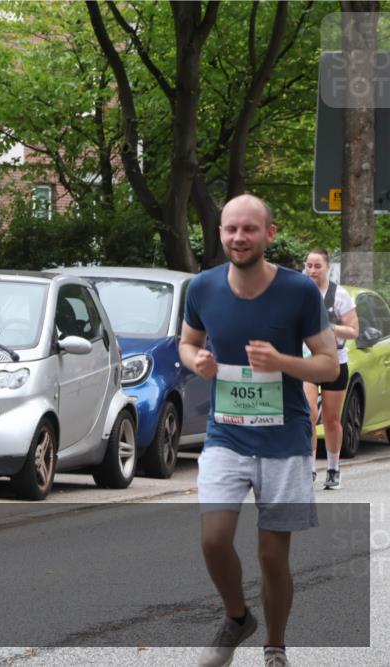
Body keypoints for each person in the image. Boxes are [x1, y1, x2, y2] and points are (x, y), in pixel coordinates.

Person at [179, 194, 338, 667]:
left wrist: (283, 362)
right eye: (231, 229)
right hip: (226, 434)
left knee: (272, 555)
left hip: (284, 439)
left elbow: (329, 367)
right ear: (221, 233)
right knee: (213, 538)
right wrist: (198, 361)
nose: (238, 238)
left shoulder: (299, 291)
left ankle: (275, 645)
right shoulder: (203, 288)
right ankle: (236, 617)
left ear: (269, 234)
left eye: (249, 229)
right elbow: (187, 344)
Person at [302, 247, 358, 490]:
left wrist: (330, 328)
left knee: (332, 419)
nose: (312, 270)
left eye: (317, 266)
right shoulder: (300, 292)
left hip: (335, 362)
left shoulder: (340, 295)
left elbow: (354, 331)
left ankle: (334, 468)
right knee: (308, 414)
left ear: (327, 267)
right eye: (309, 266)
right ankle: (309, 469)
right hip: (308, 361)